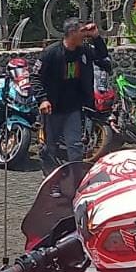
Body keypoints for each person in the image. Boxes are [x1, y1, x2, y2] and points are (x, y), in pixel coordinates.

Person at [31, 19, 110, 177]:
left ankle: (76, 179)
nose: (85, 35)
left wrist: (96, 36)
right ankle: (51, 178)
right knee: (49, 146)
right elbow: (35, 77)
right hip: (53, 108)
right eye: (82, 31)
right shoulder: (51, 53)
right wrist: (43, 99)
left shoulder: (84, 51)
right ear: (72, 32)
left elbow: (102, 54)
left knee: (75, 146)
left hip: (73, 107)